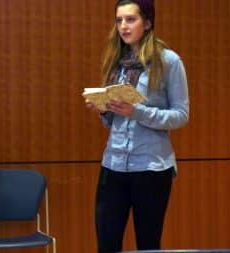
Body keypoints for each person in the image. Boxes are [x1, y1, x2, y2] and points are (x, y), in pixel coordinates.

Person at [85, 0, 189, 252]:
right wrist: (104, 109)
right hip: (114, 164)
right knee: (107, 243)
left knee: (148, 244)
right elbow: (115, 121)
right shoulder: (117, 60)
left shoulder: (169, 61)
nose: (123, 26)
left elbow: (181, 115)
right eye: (119, 20)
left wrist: (137, 111)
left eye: (130, 19)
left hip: (152, 167)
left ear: (148, 23)